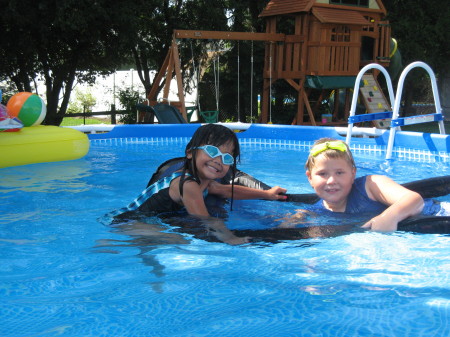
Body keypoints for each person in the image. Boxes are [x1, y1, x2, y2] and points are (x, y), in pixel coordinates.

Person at [104, 123, 287, 244]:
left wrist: (267, 194)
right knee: (181, 240)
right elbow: (205, 219)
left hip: (140, 220)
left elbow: (228, 191)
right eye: (211, 151)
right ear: (190, 152)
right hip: (126, 222)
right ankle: (107, 244)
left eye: (226, 157)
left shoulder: (205, 182)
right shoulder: (188, 184)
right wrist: (231, 238)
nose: (218, 160)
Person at [304, 137, 449, 232]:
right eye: (323, 174)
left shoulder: (370, 185)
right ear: (310, 178)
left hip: (439, 215)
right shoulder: (316, 212)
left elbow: (414, 199)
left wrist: (389, 217)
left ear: (353, 174)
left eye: (340, 173)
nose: (331, 181)